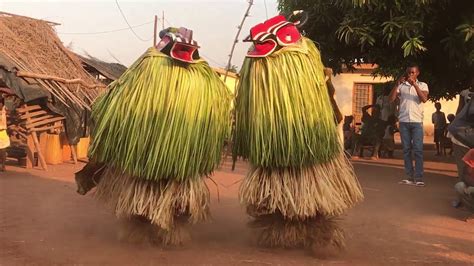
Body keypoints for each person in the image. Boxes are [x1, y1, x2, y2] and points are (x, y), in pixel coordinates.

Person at [390, 65, 429, 186]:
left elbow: (424, 99)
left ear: (418, 73)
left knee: (418, 150)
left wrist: (415, 85)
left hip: (417, 122)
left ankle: (419, 178)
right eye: (409, 73)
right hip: (404, 121)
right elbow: (390, 99)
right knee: (406, 150)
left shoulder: (423, 85)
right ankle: (409, 177)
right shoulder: (401, 86)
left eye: (413, 72)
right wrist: (396, 84)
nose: (411, 74)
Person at [0, 96, 10, 171]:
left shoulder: (4, 110)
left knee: (3, 151)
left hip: (2, 132)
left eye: (1, 104)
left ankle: (3, 165)